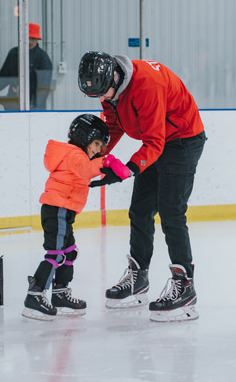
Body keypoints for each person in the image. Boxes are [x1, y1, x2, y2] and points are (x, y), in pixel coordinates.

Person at [78, 51, 206, 322]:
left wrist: (126, 170)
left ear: (114, 76)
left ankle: (185, 287)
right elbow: (114, 126)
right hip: (158, 140)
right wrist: (93, 156)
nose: (103, 100)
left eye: (105, 94)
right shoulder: (111, 88)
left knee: (171, 212)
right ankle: (139, 278)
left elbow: (155, 143)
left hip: (182, 140)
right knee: (140, 209)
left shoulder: (148, 85)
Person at [22, 114, 130, 320]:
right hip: (57, 210)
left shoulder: (74, 154)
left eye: (101, 147)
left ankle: (60, 294)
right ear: (84, 137)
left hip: (63, 211)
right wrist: (107, 162)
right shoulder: (74, 155)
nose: (98, 149)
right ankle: (34, 296)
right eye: (97, 143)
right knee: (55, 253)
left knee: (69, 253)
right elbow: (85, 170)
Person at [0, 22, 53, 110]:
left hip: (33, 107)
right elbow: (3, 78)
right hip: (13, 104)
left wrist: (35, 107)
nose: (29, 41)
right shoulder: (13, 54)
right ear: (22, 38)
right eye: (28, 38)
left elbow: (43, 88)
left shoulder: (43, 58)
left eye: (33, 38)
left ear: (37, 39)